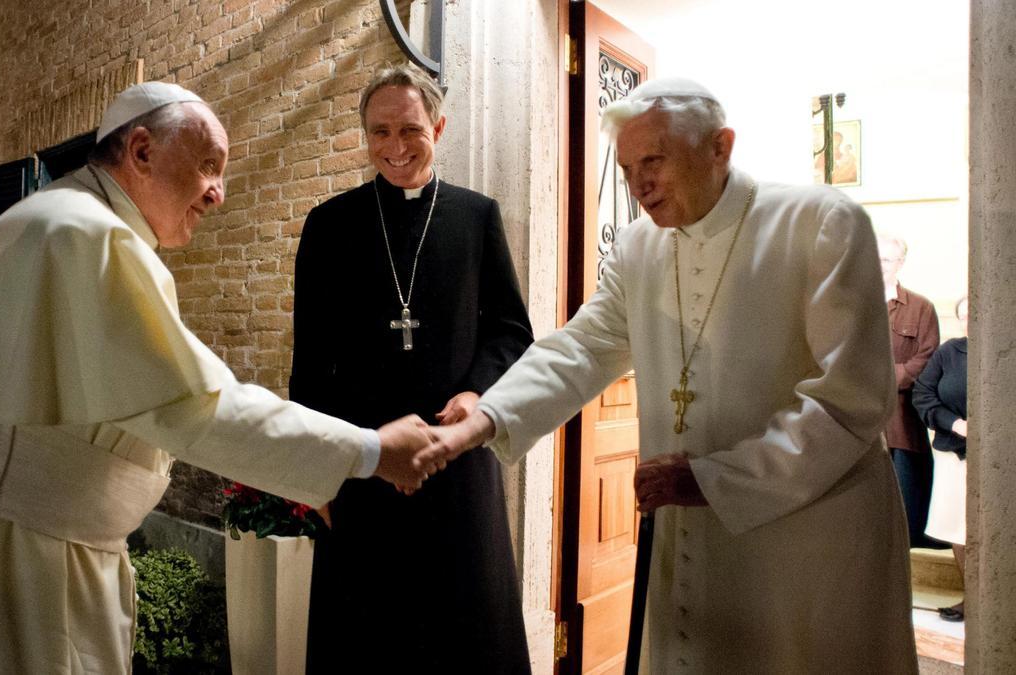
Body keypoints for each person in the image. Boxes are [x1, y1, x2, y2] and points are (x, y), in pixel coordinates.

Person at [0, 82, 447, 674]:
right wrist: (369, 450)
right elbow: (195, 410)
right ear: (142, 151)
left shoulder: (64, 219)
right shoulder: (91, 236)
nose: (217, 193)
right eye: (209, 167)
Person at [423, 78, 917, 672]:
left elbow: (850, 403)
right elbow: (581, 347)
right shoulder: (638, 248)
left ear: (720, 147)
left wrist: (715, 478)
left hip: (810, 538)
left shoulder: (820, 223)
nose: (638, 185)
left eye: (652, 160)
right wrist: (485, 417)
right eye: (627, 168)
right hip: (691, 522)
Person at [291, 64, 535, 673]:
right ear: (365, 134)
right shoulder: (328, 225)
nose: (395, 148)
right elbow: (311, 361)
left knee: (465, 638)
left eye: (410, 130)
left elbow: (510, 329)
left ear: (439, 127)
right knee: (368, 642)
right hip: (362, 461)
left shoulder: (477, 217)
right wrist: (315, 470)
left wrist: (478, 391)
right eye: (379, 132)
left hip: (454, 458)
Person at [878, 234, 942, 548]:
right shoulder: (847, 302)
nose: (878, 266)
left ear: (900, 263)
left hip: (902, 423)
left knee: (903, 510)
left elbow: (927, 358)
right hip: (857, 422)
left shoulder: (921, 308)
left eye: (886, 260)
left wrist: (881, 378)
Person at [913, 296, 969, 622]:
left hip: (997, 457)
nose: (969, 321)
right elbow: (923, 394)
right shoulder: (949, 352)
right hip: (953, 453)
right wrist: (955, 423)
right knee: (958, 529)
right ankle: (971, 598)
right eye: (964, 316)